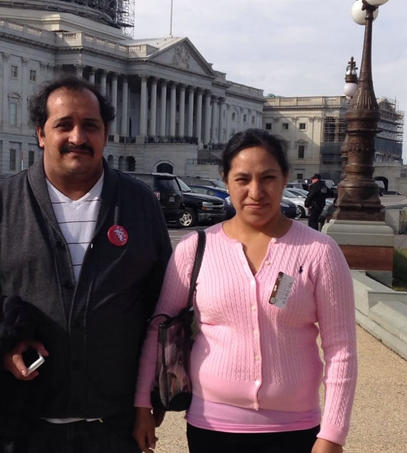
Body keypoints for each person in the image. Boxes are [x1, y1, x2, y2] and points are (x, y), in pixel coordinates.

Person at [0, 76, 172, 452]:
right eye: (64, 125)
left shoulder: (139, 203)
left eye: (90, 126)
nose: (78, 137)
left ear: (105, 133)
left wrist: (149, 395)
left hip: (113, 424)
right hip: (18, 424)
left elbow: (162, 304)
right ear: (41, 134)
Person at [134, 129, 357, 453]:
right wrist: (143, 401)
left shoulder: (318, 251)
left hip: (294, 428)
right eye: (243, 179)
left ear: (285, 178)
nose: (256, 191)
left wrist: (333, 433)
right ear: (226, 180)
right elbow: (160, 327)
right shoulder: (196, 248)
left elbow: (341, 349)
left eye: (268, 177)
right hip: (212, 426)